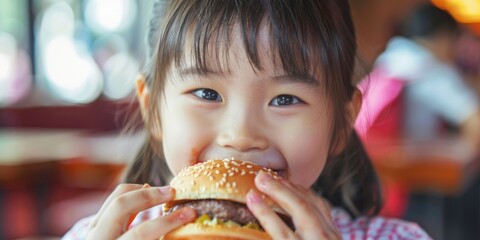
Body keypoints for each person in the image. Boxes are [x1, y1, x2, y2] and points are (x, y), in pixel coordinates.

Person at [63, 0, 430, 239]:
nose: (240, 135)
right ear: (153, 110)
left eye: (285, 98)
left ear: (341, 121)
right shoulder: (97, 234)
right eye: (206, 94)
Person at [356, 3, 480, 146]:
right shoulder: (430, 69)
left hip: (371, 158)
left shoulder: (391, 60)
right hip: (415, 165)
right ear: (443, 37)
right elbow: (475, 122)